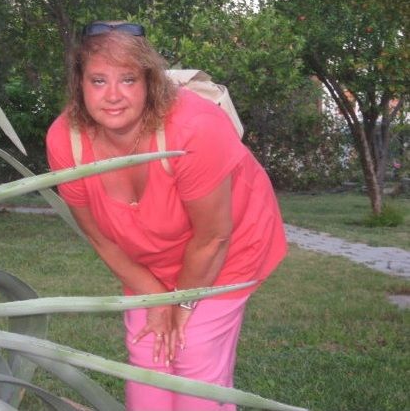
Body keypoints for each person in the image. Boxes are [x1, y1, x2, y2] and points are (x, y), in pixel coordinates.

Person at [46, 21, 287, 411]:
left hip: (226, 250)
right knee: (148, 353)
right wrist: (156, 297)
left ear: (150, 82)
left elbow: (213, 238)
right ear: (79, 85)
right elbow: (100, 238)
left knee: (194, 354)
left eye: (128, 79)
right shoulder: (65, 140)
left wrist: (183, 305)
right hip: (150, 260)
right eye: (98, 81)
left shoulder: (194, 128)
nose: (113, 96)